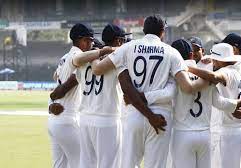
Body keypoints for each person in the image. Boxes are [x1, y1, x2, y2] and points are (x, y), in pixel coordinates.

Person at [90, 14, 209, 168]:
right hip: (161, 117)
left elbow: (98, 69)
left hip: (133, 114)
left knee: (128, 164)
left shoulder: (128, 47)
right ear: (162, 31)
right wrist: (209, 78)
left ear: (143, 30)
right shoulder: (171, 52)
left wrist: (94, 54)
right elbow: (187, 87)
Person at [170, 39, 241, 168]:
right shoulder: (206, 76)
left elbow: (165, 98)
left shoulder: (174, 76)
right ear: (191, 55)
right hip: (205, 136)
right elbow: (219, 103)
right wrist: (238, 103)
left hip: (182, 133)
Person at [188, 42, 241, 168]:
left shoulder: (226, 72)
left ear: (219, 59)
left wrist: (187, 68)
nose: (213, 63)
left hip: (230, 133)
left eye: (215, 59)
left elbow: (213, 77)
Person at [71, 23, 129, 168]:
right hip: (107, 119)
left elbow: (77, 68)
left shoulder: (87, 59)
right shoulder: (117, 58)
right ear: (118, 41)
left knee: (86, 164)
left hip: (85, 119)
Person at [47, 23, 95, 168]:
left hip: (55, 121)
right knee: (84, 163)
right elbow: (67, 85)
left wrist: (51, 102)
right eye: (88, 40)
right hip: (68, 119)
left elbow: (56, 78)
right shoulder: (78, 57)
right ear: (78, 40)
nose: (91, 44)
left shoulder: (65, 57)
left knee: (60, 165)